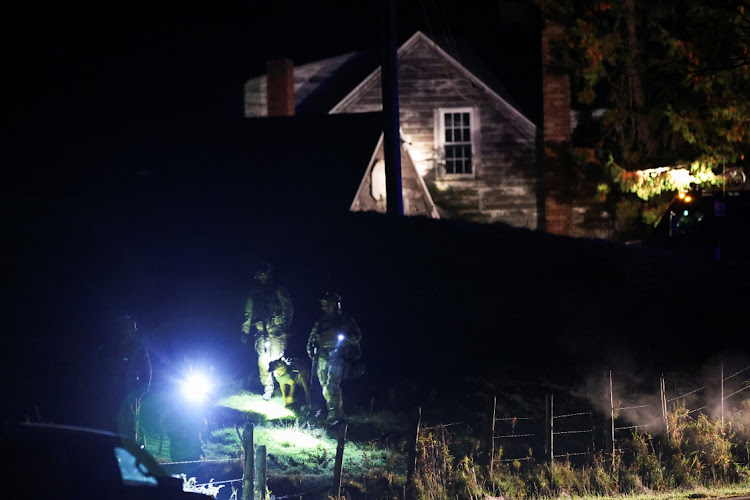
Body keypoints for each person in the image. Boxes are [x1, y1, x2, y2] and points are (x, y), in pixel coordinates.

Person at [307, 291, 362, 423]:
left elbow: (357, 336)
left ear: (335, 305)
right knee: (324, 386)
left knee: (332, 386)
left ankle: (335, 415)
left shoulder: (345, 320)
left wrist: (343, 338)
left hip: (337, 357)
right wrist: (311, 352)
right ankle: (335, 413)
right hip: (322, 357)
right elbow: (312, 338)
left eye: (327, 305)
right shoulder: (320, 321)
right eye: (323, 305)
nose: (324, 307)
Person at [241, 262, 294, 399]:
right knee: (263, 361)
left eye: (263, 274)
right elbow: (248, 313)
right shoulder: (254, 292)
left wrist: (285, 326)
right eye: (258, 275)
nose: (261, 277)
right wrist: (245, 331)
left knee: (277, 361)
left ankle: (284, 386)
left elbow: (287, 309)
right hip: (261, 332)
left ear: (269, 274)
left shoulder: (278, 290)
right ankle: (268, 389)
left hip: (277, 331)